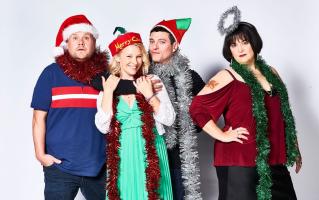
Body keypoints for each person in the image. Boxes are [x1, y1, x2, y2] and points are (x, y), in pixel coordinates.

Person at [190, 6, 302, 200]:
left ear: (254, 43)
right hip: (240, 162)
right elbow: (197, 108)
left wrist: (295, 147)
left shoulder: (272, 73)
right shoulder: (227, 76)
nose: (239, 49)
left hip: (273, 159)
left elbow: (284, 113)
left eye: (244, 42)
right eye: (233, 45)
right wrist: (222, 135)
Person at [31, 14, 131, 200]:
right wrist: (41, 155)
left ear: (94, 42)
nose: (81, 43)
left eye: (86, 37)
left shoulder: (106, 76)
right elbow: (38, 118)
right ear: (66, 43)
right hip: (60, 167)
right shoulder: (50, 74)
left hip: (100, 166)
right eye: (75, 38)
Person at [95, 29, 175, 200]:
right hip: (123, 155)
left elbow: (169, 119)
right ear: (118, 58)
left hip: (151, 152)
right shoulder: (109, 85)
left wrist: (150, 95)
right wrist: (108, 91)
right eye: (129, 56)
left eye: (139, 56)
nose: (135, 62)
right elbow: (102, 127)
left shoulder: (152, 81)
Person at [148, 18, 204, 200]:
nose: (154, 47)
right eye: (151, 41)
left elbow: (206, 115)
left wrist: (181, 122)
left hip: (179, 158)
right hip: (149, 156)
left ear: (174, 46)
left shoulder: (190, 78)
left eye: (161, 42)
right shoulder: (142, 75)